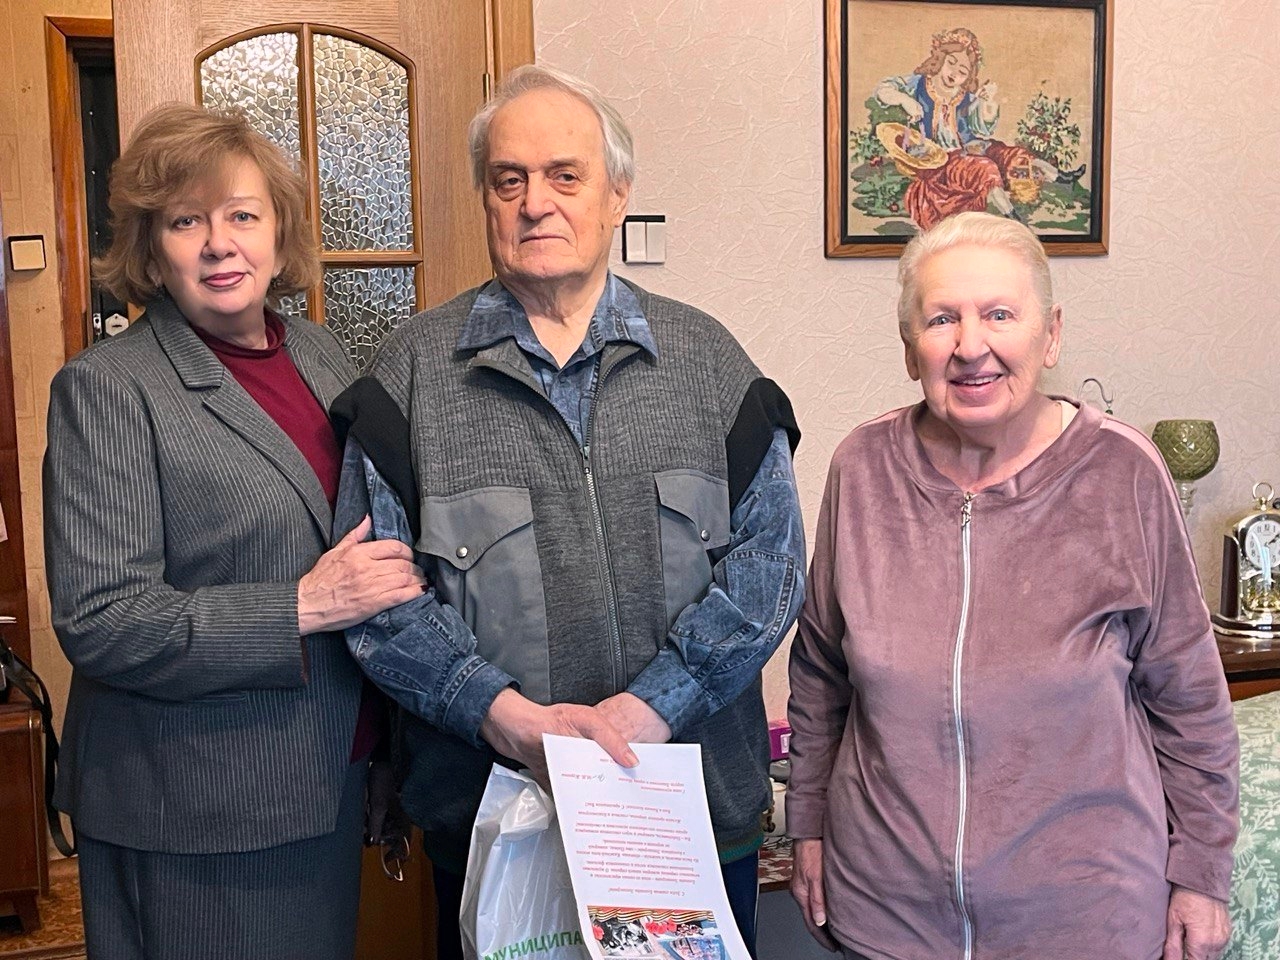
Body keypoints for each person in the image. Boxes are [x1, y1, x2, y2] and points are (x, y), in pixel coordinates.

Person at [333, 64, 805, 957]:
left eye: (564, 176)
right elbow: (379, 603)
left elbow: (769, 571)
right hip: (493, 826)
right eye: (508, 180)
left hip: (690, 821)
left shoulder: (711, 364)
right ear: (485, 198)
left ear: (617, 194)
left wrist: (651, 709)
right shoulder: (408, 377)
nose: (535, 203)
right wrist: (507, 719)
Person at [787, 211, 1239, 960]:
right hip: (888, 915)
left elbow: (1189, 697)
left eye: (1000, 314)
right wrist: (807, 824)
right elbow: (820, 673)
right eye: (942, 319)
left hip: (1084, 919)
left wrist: (1201, 874)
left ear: (1050, 335)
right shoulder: (862, 468)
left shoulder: (1123, 472)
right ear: (909, 348)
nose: (972, 346)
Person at [43, 104, 424, 960]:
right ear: (152, 252)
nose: (220, 245)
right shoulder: (108, 389)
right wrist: (302, 605)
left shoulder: (319, 354)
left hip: (325, 779)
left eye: (243, 216)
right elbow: (103, 619)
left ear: (279, 237)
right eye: (186, 222)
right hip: (196, 810)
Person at [873, 28, 1084, 229]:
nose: (954, 73)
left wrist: (986, 102)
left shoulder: (966, 96)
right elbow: (883, 89)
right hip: (943, 159)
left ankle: (1060, 178)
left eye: (962, 71)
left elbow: (983, 129)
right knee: (986, 169)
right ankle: (1011, 215)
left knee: (1012, 157)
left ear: (968, 76)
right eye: (951, 63)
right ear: (940, 58)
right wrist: (904, 100)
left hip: (973, 147)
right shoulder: (919, 84)